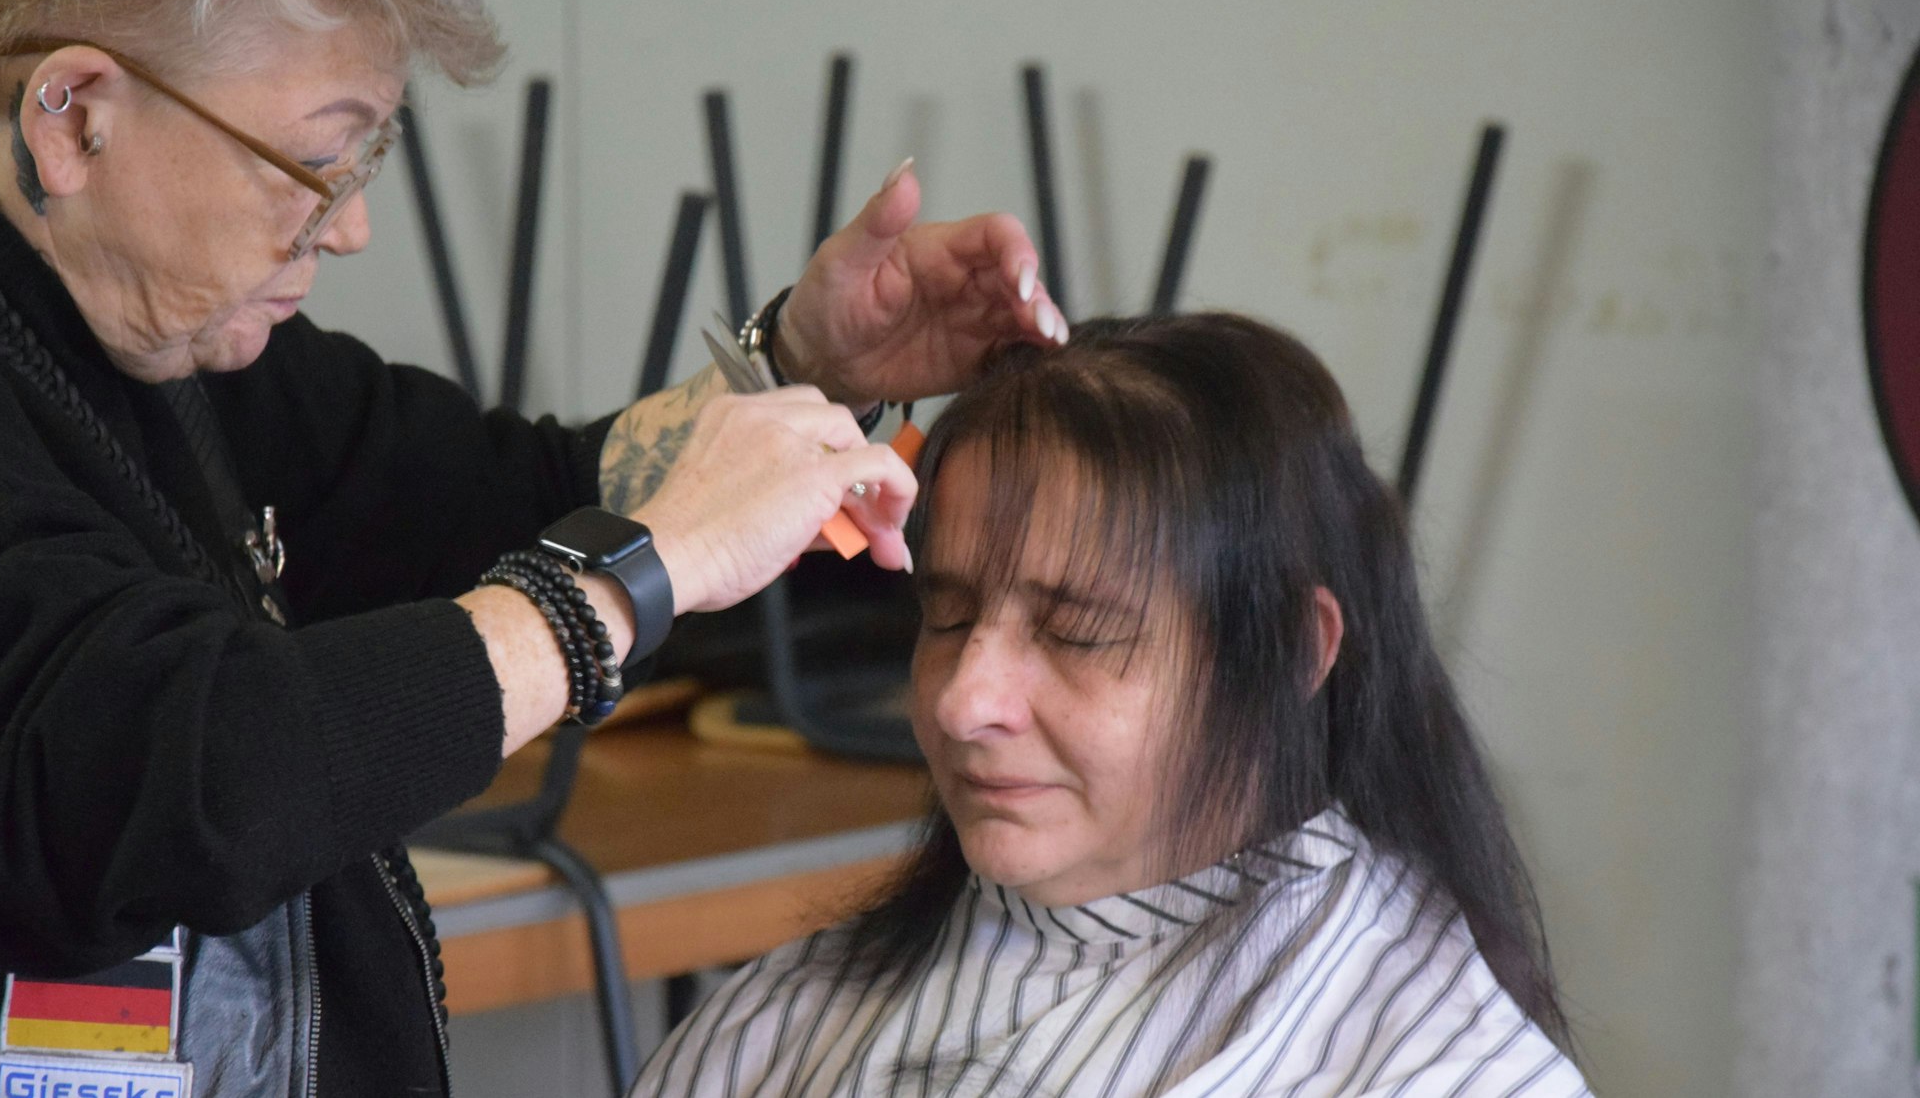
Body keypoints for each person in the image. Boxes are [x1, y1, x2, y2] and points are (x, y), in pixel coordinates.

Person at [0, 0, 1070, 1094]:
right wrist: (616, 593)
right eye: (317, 163)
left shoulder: (169, 343)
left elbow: (497, 498)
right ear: (72, 117)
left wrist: (799, 375)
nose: (352, 225)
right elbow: (149, 782)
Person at [632, 313, 1593, 1097]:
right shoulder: (785, 1026)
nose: (967, 700)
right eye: (949, 612)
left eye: (1079, 633)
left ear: (1294, 652)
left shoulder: (1438, 1069)